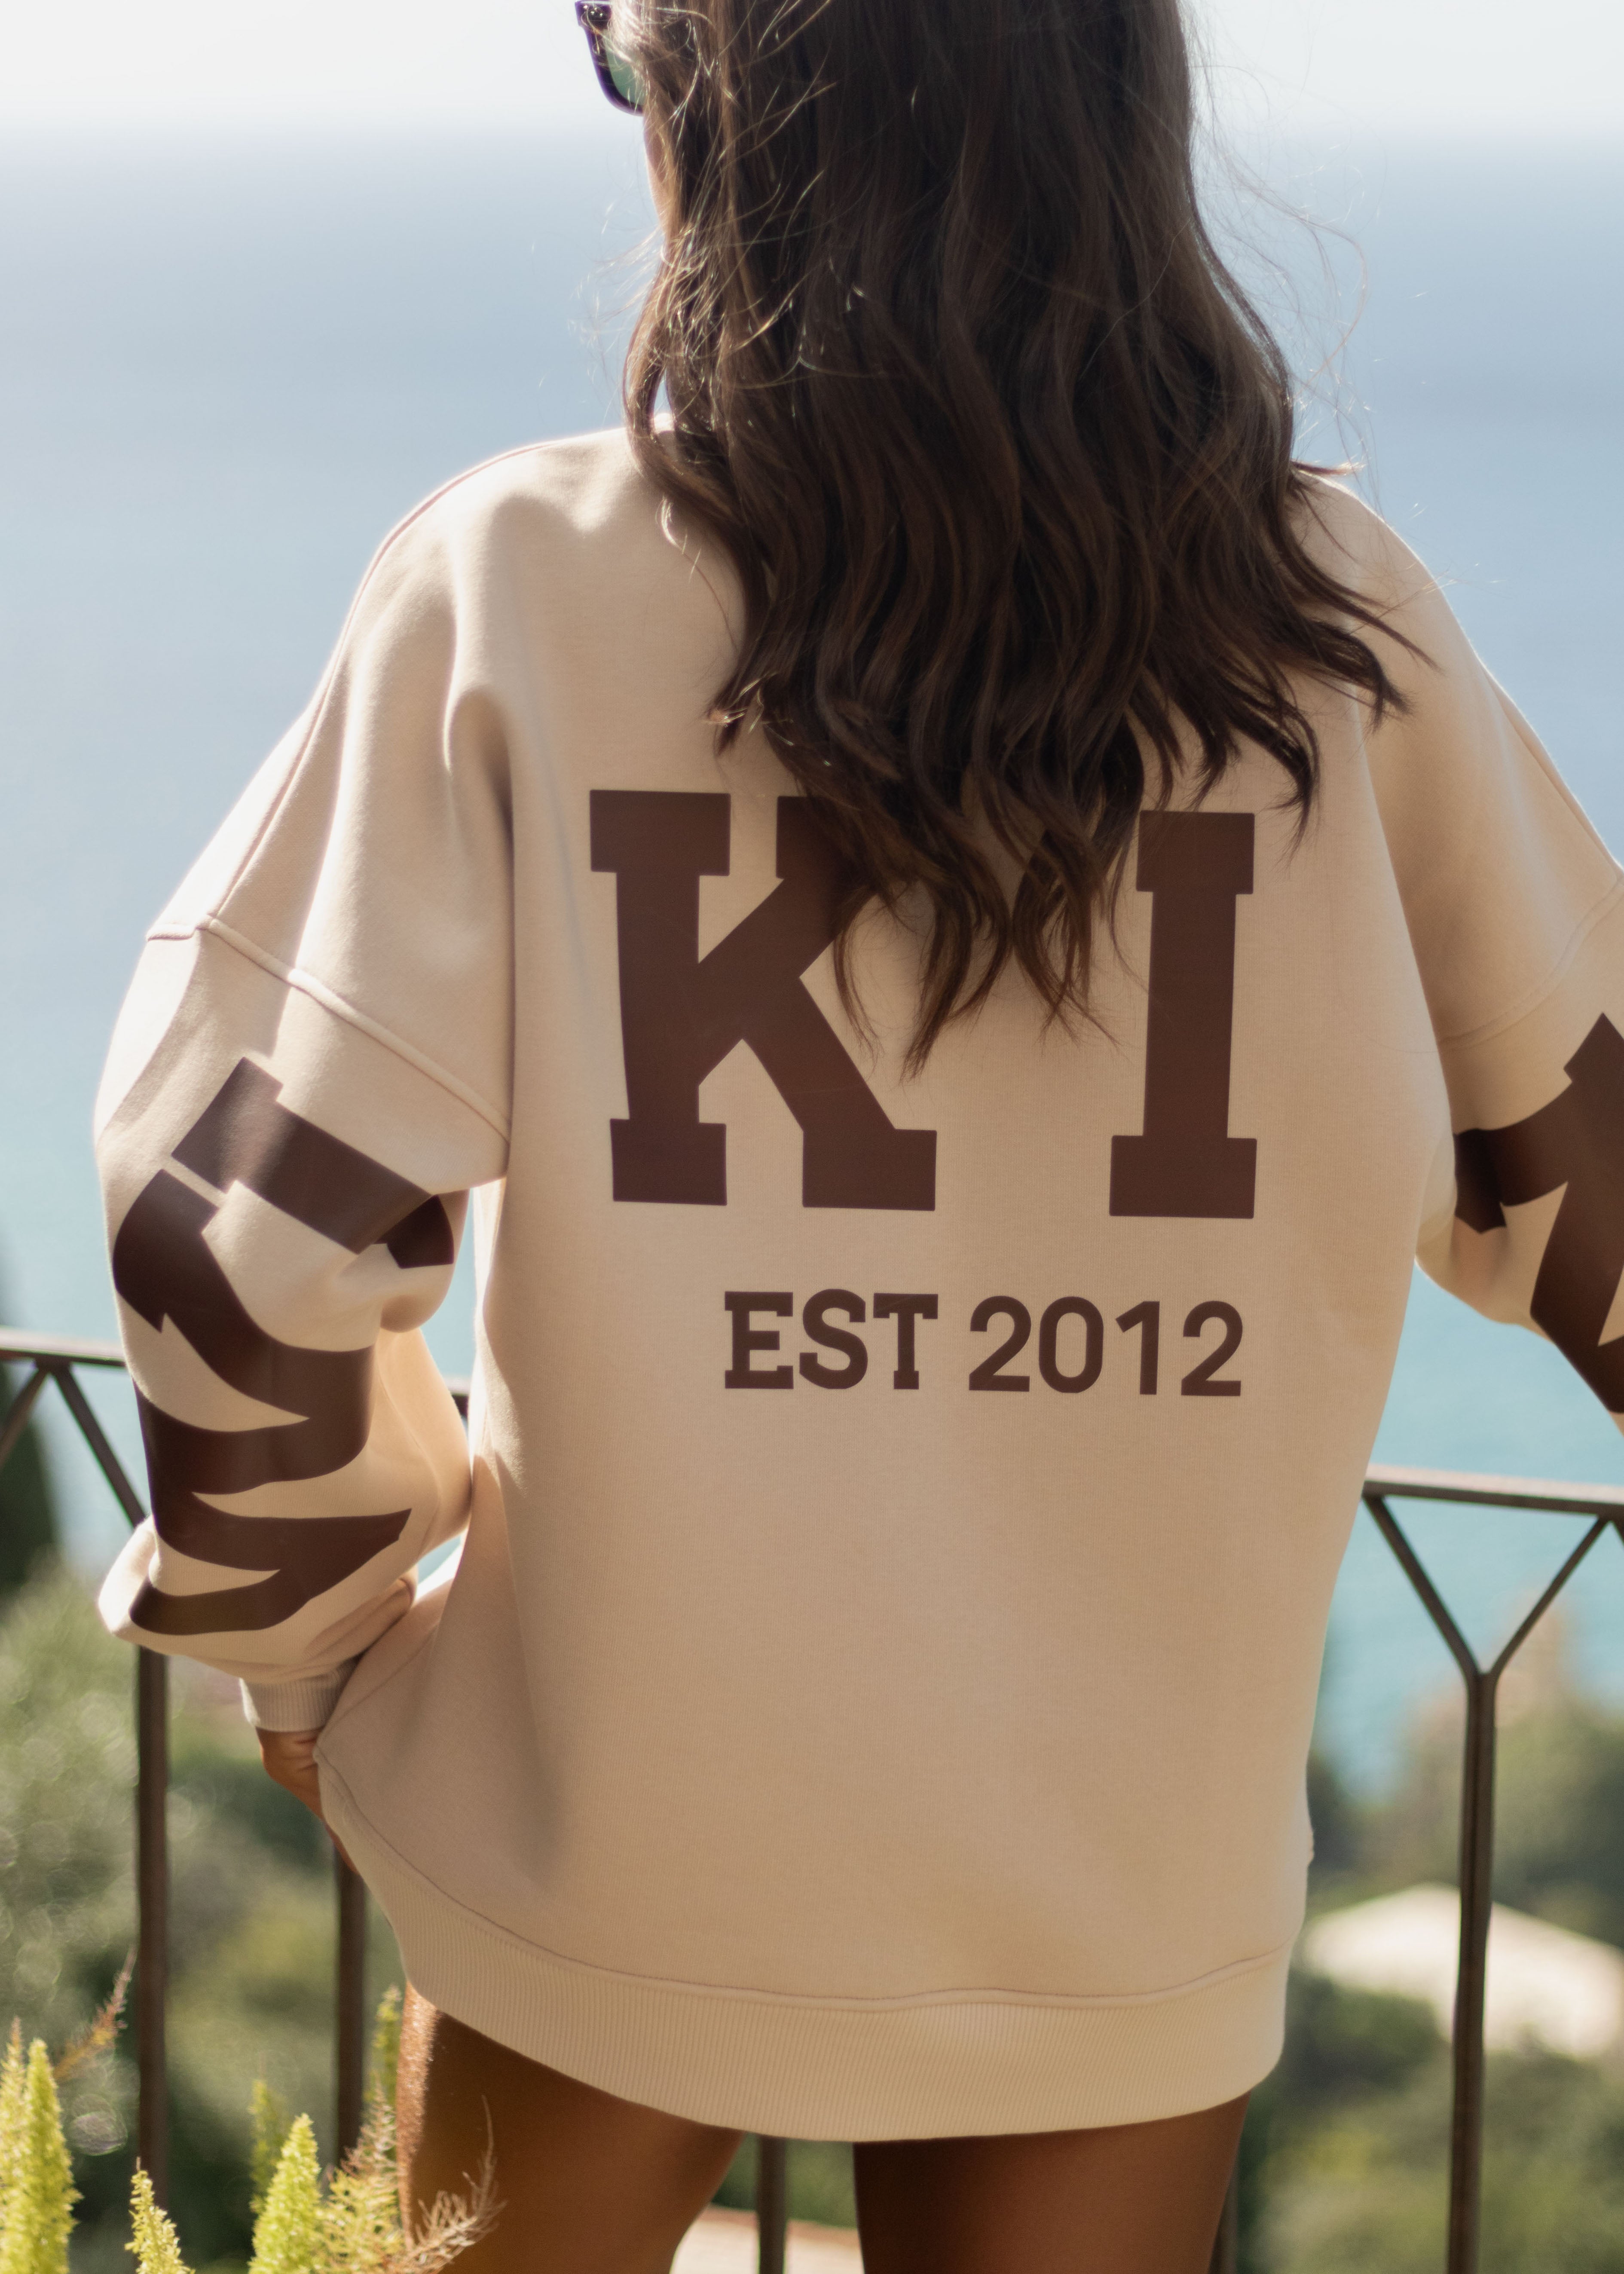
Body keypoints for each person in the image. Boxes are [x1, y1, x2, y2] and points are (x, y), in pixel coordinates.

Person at [92, 0, 1624, 2266]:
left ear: (726, 120)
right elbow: (1594, 1183)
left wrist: (314, 1642)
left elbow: (234, 1225)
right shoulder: (1338, 640)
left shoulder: (522, 587)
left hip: (604, 1838)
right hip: (1119, 1896)